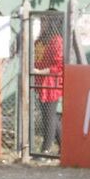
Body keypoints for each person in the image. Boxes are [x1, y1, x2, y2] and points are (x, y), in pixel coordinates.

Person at [33, 9, 64, 153]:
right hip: (41, 83)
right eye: (41, 21)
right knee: (49, 116)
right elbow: (37, 59)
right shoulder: (40, 40)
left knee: (49, 116)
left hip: (52, 84)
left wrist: (40, 71)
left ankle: (45, 149)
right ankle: (64, 147)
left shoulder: (57, 40)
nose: (42, 24)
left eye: (44, 21)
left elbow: (57, 66)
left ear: (51, 22)